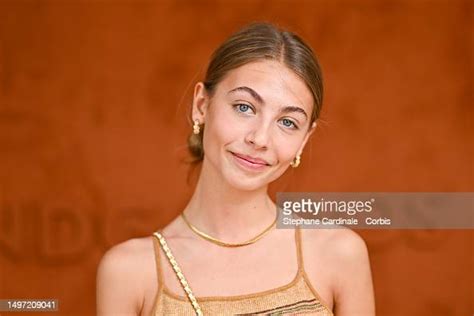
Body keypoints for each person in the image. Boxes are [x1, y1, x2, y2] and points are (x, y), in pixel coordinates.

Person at [96, 22, 375, 316]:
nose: (260, 139)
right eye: (244, 107)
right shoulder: (130, 273)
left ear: (304, 140)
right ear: (201, 105)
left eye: (287, 122)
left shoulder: (339, 254)